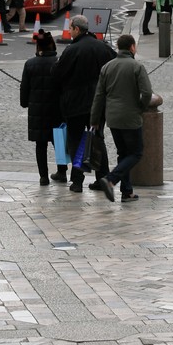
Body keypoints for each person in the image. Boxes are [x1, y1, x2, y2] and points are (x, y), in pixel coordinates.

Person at [51, 15, 114, 193]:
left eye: (70, 28)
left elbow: (56, 73)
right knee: (98, 139)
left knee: (76, 140)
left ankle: (77, 181)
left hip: (76, 103)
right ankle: (102, 178)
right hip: (99, 103)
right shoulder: (104, 48)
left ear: (77, 29)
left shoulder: (72, 50)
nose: (69, 31)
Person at [91, 34, 153, 204]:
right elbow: (147, 92)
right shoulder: (136, 67)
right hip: (131, 117)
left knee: (123, 153)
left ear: (119, 47)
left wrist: (95, 119)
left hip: (112, 117)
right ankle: (111, 179)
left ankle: (127, 191)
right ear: (132, 47)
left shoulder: (107, 67)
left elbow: (99, 96)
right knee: (136, 152)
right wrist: (141, 107)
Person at [19, 30, 61, 185]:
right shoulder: (58, 62)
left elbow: (25, 87)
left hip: (37, 109)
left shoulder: (30, 64)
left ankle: (43, 176)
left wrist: (24, 102)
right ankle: (61, 171)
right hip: (57, 109)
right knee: (58, 141)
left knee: (41, 144)